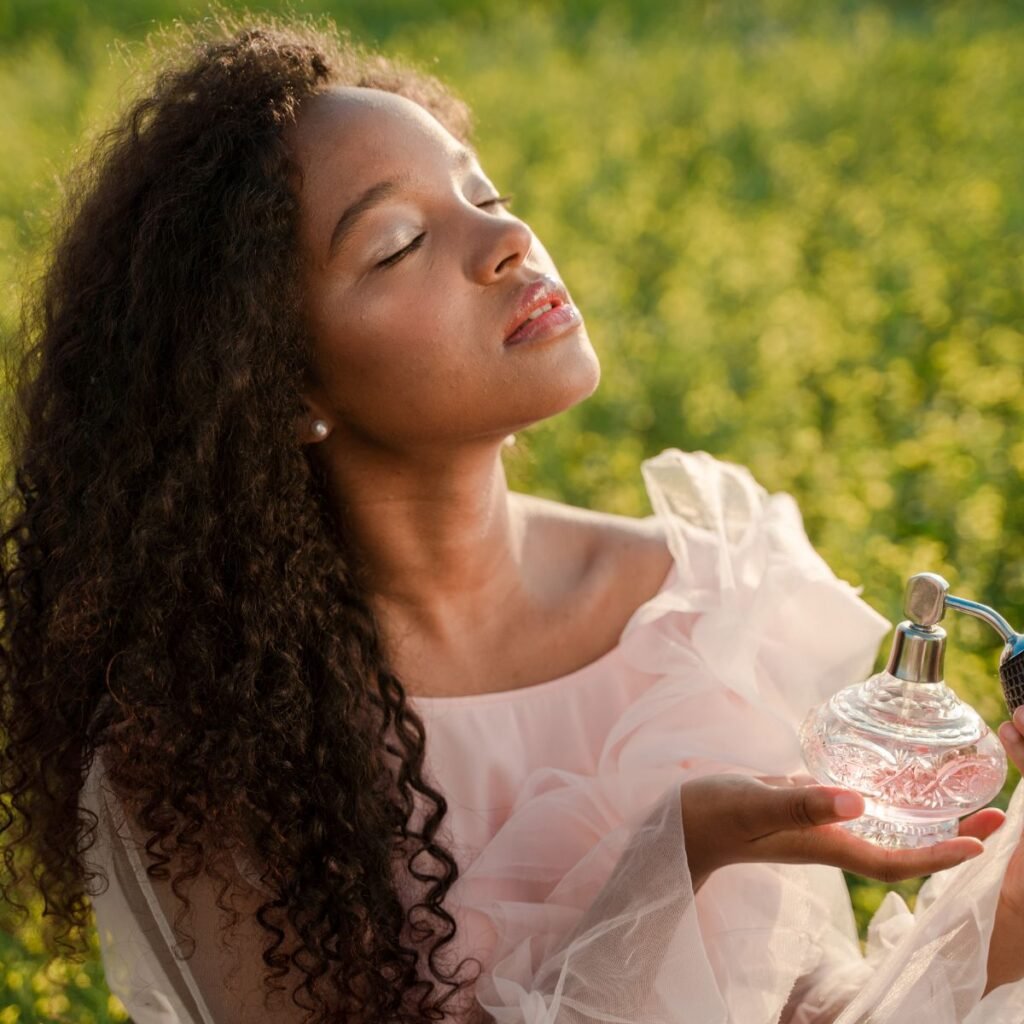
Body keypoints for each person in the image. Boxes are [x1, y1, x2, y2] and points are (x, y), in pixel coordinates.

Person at [2, 14, 1024, 1024]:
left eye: (483, 191)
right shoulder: (214, 736)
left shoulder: (700, 606)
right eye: (400, 242)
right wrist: (671, 859)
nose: (506, 240)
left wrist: (1009, 905)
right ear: (273, 386)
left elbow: (809, 1012)